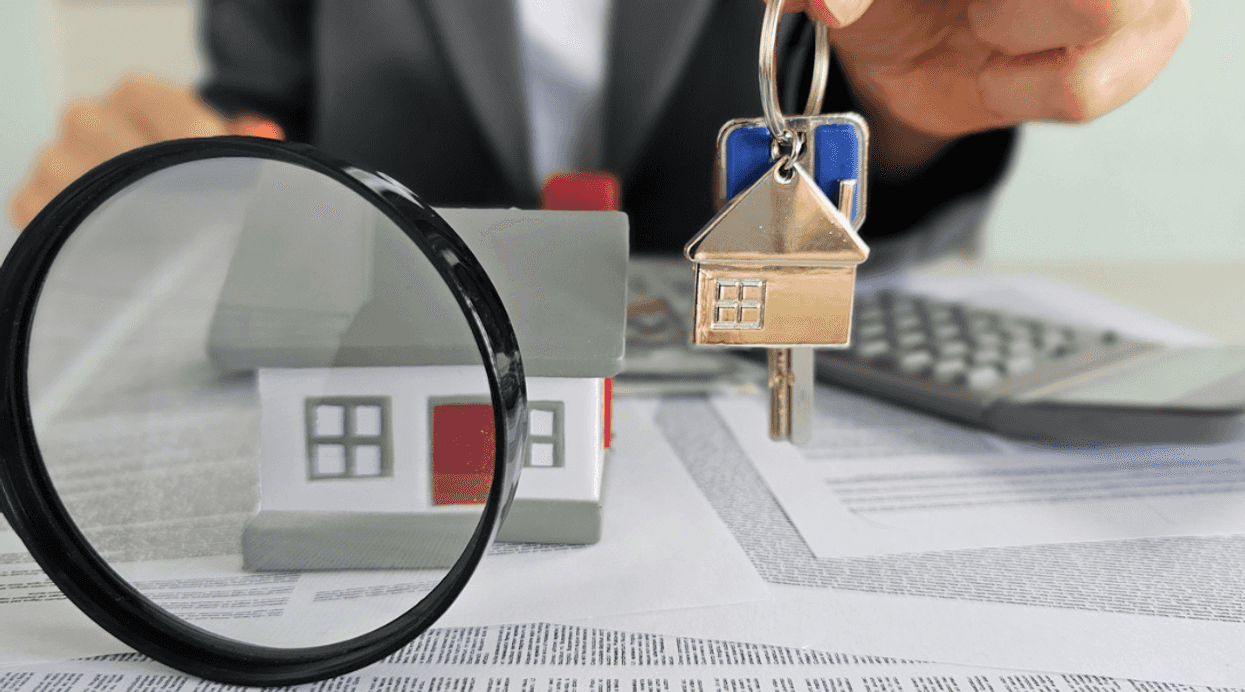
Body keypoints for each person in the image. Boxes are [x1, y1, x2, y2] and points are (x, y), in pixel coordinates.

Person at [8, 0, 1190, 271]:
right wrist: (179, 164)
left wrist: (911, 114)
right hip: (418, 361)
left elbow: (870, 80)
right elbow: (262, 113)